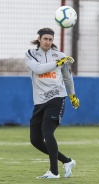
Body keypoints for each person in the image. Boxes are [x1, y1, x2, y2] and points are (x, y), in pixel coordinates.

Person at [24, 27, 80, 179]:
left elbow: (67, 78)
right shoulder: (30, 54)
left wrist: (72, 95)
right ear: (39, 39)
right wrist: (58, 62)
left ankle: (54, 172)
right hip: (39, 102)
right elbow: (38, 69)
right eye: (45, 39)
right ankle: (67, 161)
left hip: (57, 98)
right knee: (35, 140)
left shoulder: (60, 56)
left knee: (48, 132)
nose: (48, 42)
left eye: (50, 39)